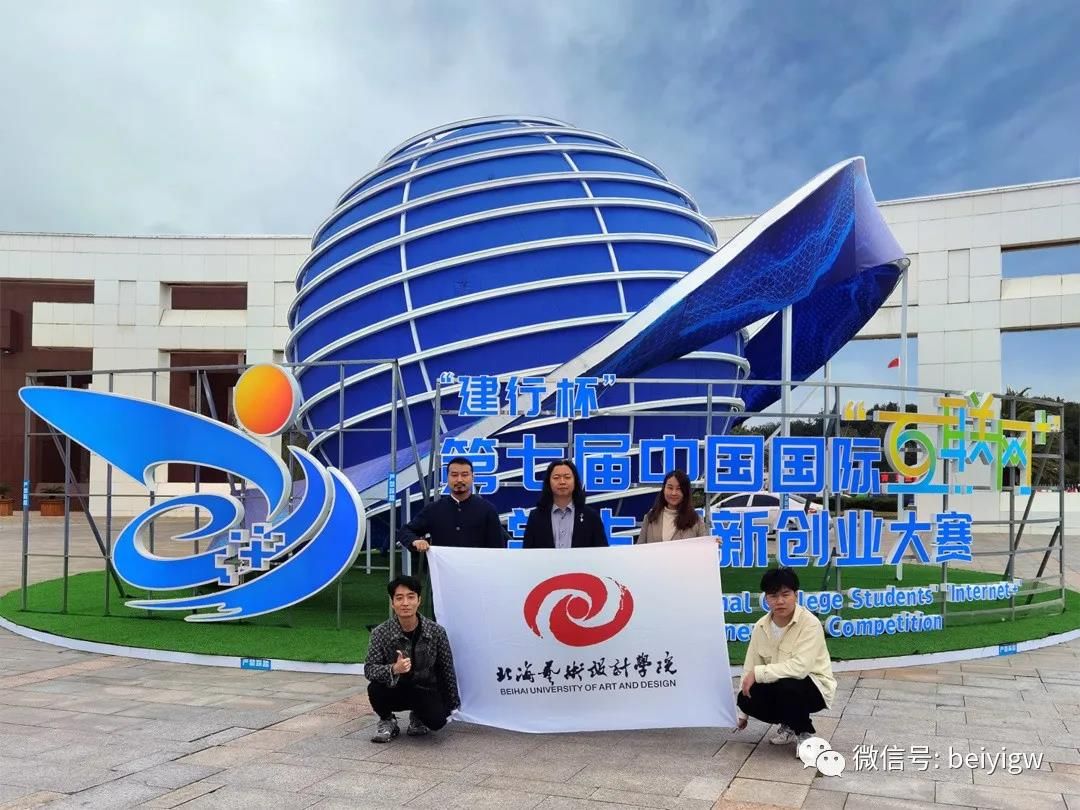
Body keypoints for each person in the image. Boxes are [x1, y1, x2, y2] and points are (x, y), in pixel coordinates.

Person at [734, 566, 836, 748]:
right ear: (766, 598)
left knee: (789, 685)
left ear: (796, 595)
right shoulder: (761, 626)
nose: (780, 601)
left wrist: (758, 673)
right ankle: (788, 723)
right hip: (781, 685)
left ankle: (804, 734)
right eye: (773, 596)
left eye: (785, 594)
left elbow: (800, 668)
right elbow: (750, 666)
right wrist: (743, 714)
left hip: (814, 687)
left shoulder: (810, 624)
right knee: (745, 697)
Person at [364, 575, 461, 743]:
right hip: (396, 689)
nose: (405, 603)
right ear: (392, 603)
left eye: (410, 597)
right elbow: (369, 669)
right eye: (399, 598)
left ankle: (418, 716)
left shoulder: (436, 632)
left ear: (419, 600)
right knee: (375, 688)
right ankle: (387, 720)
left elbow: (446, 668)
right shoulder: (380, 633)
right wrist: (394, 669)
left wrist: (452, 703)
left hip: (425, 689)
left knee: (438, 721)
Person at [399, 456, 506, 552]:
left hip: (477, 567)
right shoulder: (434, 509)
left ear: (472, 477)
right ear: (447, 478)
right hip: (442, 567)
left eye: (464, 475)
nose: (459, 479)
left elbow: (497, 549)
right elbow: (405, 531)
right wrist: (415, 541)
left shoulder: (487, 510)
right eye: (454, 475)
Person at [523, 459, 608, 549]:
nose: (562, 482)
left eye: (567, 477)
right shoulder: (536, 517)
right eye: (556, 478)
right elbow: (527, 553)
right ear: (548, 482)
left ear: (575, 481)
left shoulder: (591, 516)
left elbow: (601, 551)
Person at [637, 469, 709, 543]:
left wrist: (713, 543)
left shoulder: (696, 520)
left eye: (679, 489)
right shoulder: (650, 517)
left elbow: (704, 546)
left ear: (685, 492)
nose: (673, 493)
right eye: (670, 488)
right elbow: (639, 547)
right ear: (664, 489)